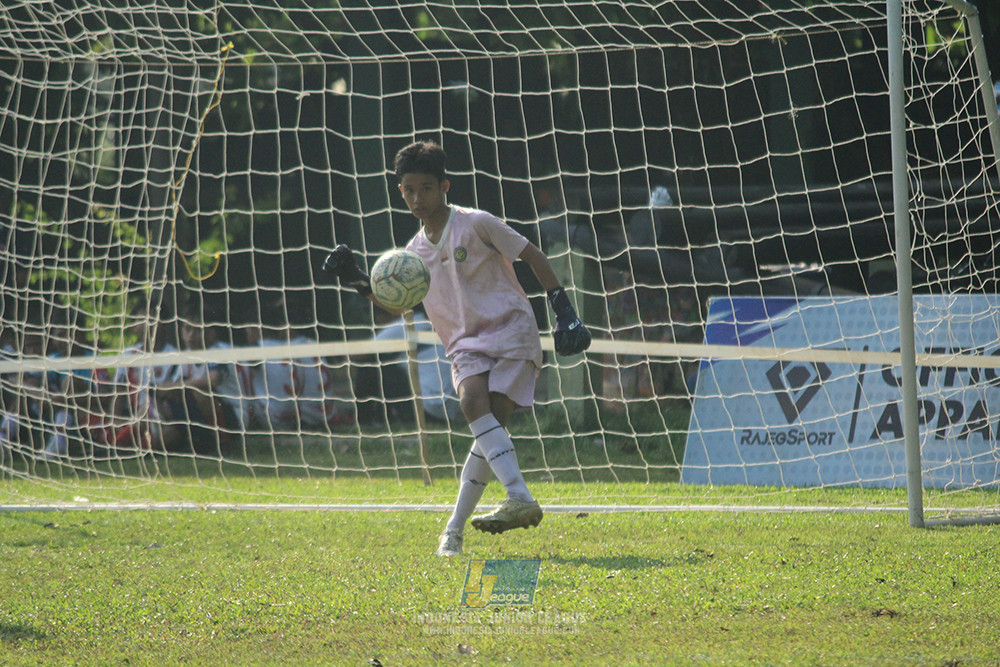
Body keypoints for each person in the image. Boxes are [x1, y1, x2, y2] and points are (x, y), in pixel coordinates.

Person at [324, 139, 591, 556]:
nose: (418, 198)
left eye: (426, 188)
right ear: (400, 192)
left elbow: (532, 254)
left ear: (444, 186)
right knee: (473, 405)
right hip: (465, 343)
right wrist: (357, 277)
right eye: (409, 190)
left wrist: (563, 308)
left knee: (491, 429)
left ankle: (453, 530)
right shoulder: (411, 255)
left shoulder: (477, 222)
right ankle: (516, 497)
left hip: (511, 329)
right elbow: (396, 300)